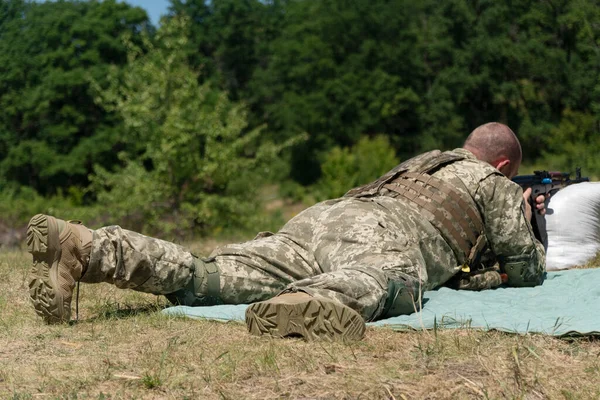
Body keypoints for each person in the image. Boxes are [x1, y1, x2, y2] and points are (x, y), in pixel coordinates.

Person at [26, 122, 547, 341]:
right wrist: (528, 215)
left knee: (212, 275)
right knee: (393, 281)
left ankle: (91, 248)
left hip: (321, 218)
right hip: (382, 234)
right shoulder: (491, 181)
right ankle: (305, 302)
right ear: (504, 165)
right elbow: (525, 270)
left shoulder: (427, 160)